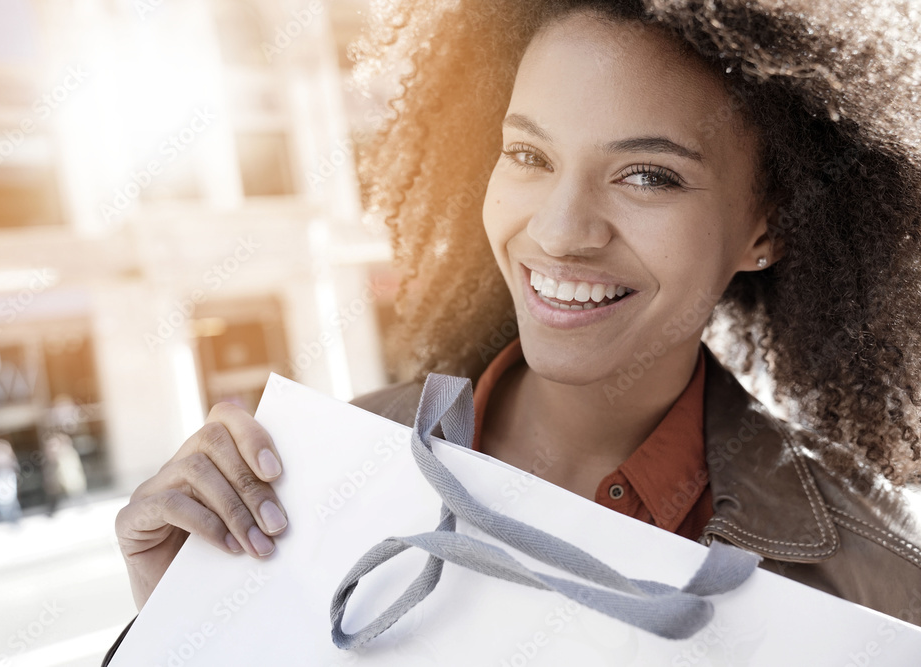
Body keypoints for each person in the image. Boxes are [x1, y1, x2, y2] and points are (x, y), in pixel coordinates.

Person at [104, 0, 921, 661]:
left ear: (766, 227)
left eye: (648, 175)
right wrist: (183, 620)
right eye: (528, 155)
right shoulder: (313, 474)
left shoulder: (877, 580)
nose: (561, 231)